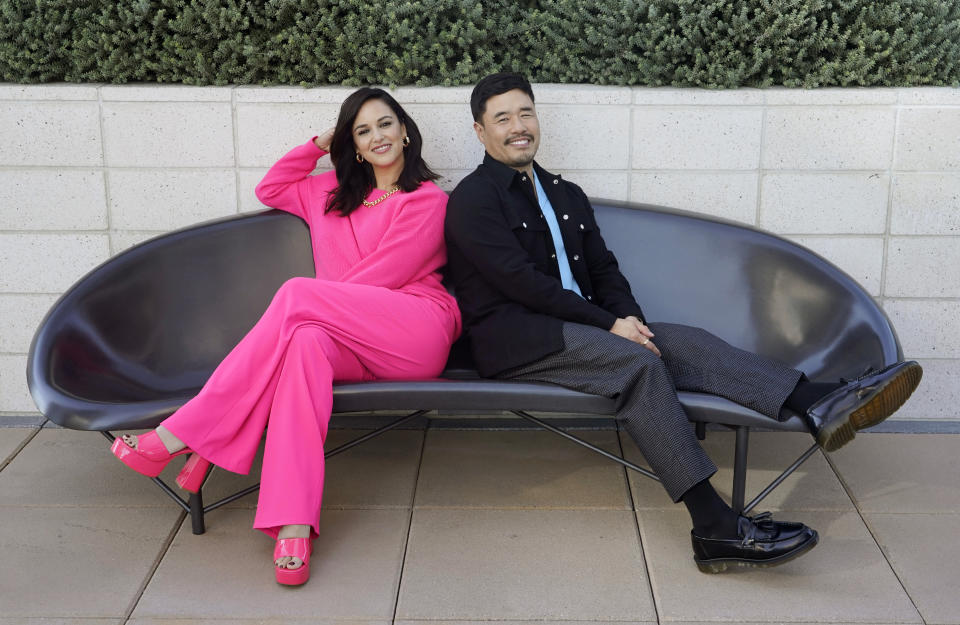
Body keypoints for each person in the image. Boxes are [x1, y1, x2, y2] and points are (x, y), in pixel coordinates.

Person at [443, 72, 922, 573]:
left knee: (684, 342)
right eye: (503, 119)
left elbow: (605, 269)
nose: (518, 127)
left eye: (526, 113)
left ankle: (819, 402)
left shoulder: (565, 194)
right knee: (636, 365)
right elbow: (523, 285)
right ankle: (715, 527)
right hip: (518, 340)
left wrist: (632, 320)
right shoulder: (473, 199)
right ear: (481, 132)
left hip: (586, 329)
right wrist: (613, 328)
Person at [110, 87, 461, 586]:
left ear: (405, 131)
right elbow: (272, 188)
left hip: (412, 331)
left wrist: (316, 306)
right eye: (362, 131)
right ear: (353, 145)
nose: (377, 136)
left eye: (385, 124)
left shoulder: (426, 200)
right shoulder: (328, 192)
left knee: (300, 296)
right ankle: (292, 523)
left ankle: (184, 434)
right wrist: (319, 144)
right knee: (302, 348)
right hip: (339, 337)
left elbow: (381, 278)